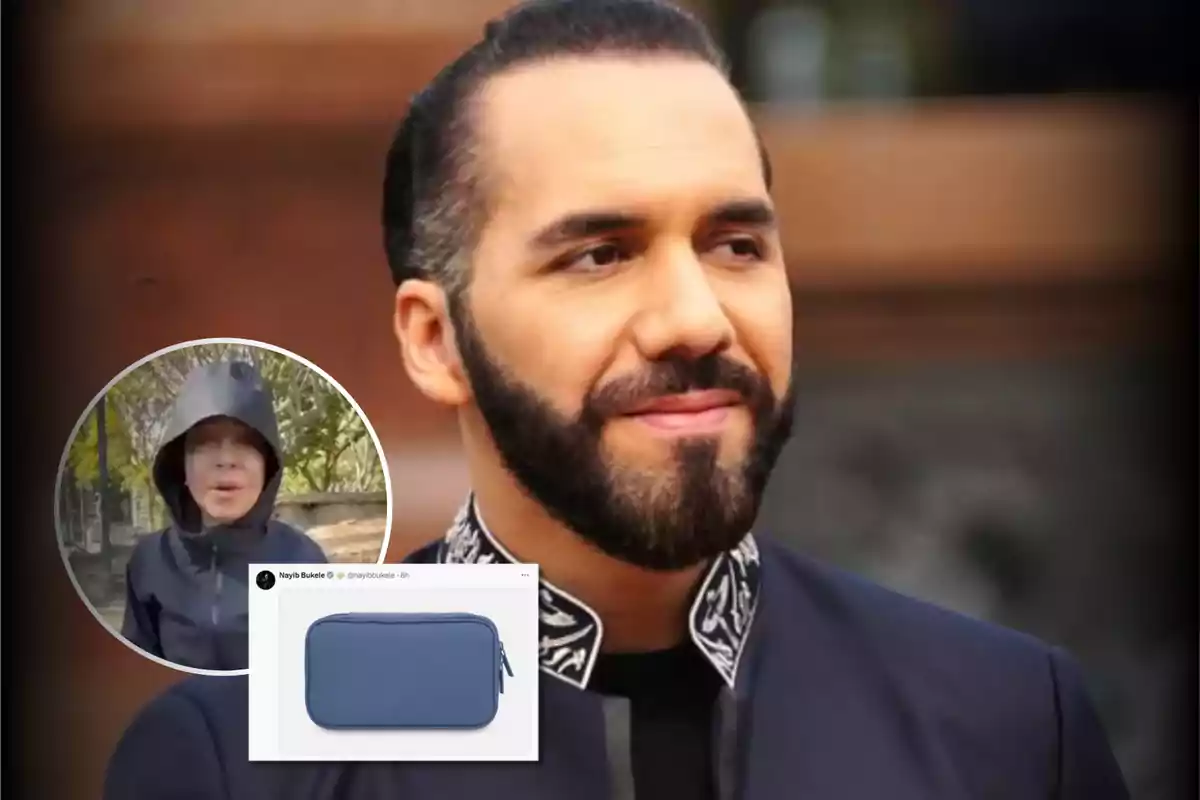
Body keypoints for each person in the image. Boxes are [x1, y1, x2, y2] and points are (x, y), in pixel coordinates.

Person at [104, 1, 1129, 798]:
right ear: (435, 337)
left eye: (736, 244)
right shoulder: (245, 755)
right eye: (600, 254)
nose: (694, 317)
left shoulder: (1003, 719)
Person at [120, 359, 328, 671]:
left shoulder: (303, 559)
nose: (227, 460)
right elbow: (135, 674)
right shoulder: (150, 560)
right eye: (205, 444)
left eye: (245, 444)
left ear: (268, 467)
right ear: (181, 467)